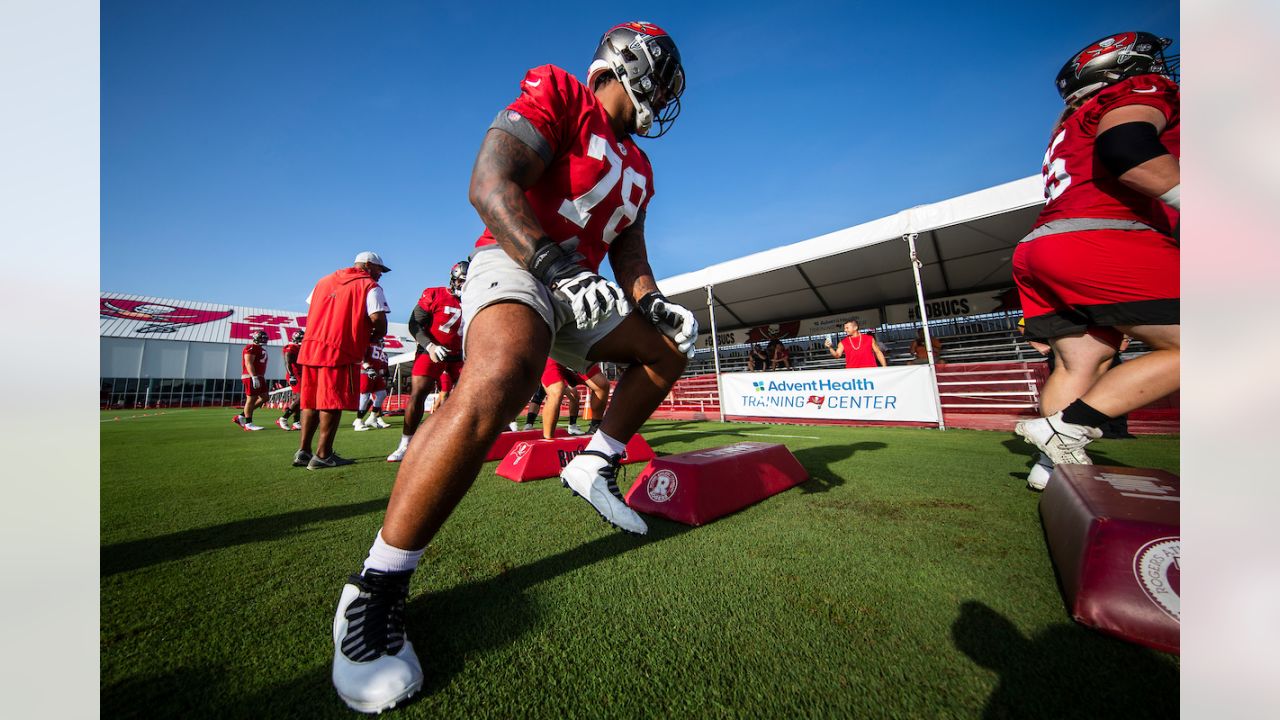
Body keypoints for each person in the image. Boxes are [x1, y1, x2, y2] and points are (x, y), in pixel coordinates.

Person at [329, 22, 692, 712]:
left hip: (581, 287)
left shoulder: (641, 169)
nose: (668, 96)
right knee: (504, 374)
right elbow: (490, 184)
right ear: (630, 64)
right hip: (522, 260)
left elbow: (631, 257)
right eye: (664, 78)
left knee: (666, 351)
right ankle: (377, 583)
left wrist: (654, 304)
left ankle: (595, 461)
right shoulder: (559, 90)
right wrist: (553, 263)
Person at [1011, 32, 1179, 489]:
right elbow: (1128, 149)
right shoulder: (1137, 92)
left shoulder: (1068, 121)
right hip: (1103, 237)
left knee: (1078, 364)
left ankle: (1053, 469)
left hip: (1043, 244)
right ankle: (1065, 428)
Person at [296, 251, 391, 470]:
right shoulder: (369, 286)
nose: (380, 275)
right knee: (332, 401)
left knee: (310, 401)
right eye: (379, 270)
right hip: (340, 348)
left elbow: (313, 306)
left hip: (311, 346)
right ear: (367, 265)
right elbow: (379, 320)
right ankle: (323, 454)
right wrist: (373, 337)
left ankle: (303, 451)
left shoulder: (323, 280)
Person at [387, 262, 468, 462]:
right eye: (461, 281)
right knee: (419, 393)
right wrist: (430, 346)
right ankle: (405, 443)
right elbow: (414, 324)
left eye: (468, 282)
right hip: (432, 350)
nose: (464, 286)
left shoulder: (475, 300)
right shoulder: (434, 293)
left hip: (459, 354)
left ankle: (460, 440)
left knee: (470, 394)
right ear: (453, 279)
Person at [540, 359, 609, 438]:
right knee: (557, 391)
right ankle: (548, 438)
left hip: (576, 355)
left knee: (602, 384)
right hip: (553, 356)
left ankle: (595, 427)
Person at [233, 329, 269, 431]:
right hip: (251, 376)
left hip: (260, 376)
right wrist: (253, 376)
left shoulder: (261, 349)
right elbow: (249, 363)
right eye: (262, 338)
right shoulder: (251, 347)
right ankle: (248, 423)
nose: (264, 340)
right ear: (256, 338)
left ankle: (240, 416)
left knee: (265, 397)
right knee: (251, 399)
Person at [353, 339, 391, 431]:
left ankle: (372, 417)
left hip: (376, 373)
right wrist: (368, 367)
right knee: (365, 397)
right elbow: (361, 355)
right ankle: (358, 421)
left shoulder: (379, 346)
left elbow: (380, 363)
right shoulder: (367, 342)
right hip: (366, 372)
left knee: (382, 394)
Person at [277, 329, 304, 431]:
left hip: (301, 374)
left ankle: (296, 421)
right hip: (295, 375)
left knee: (299, 399)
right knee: (301, 397)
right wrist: (291, 375)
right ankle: (283, 418)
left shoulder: (299, 347)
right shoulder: (291, 347)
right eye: (301, 338)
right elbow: (287, 362)